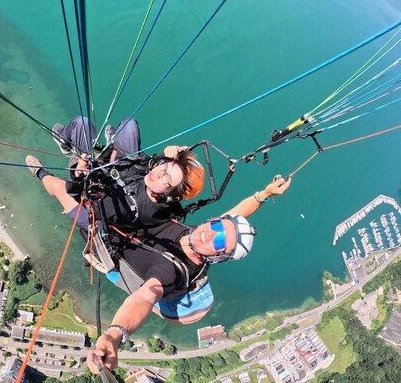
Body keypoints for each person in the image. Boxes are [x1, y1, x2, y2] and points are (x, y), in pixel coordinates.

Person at [27, 138, 292, 371]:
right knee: (112, 171)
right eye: (216, 226)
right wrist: (264, 194)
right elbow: (237, 213)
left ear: (218, 257)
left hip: (107, 241)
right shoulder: (199, 234)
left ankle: (39, 173)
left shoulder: (174, 271)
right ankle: (84, 158)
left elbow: (144, 297)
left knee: (60, 189)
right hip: (133, 225)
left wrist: (114, 335)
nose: (210, 234)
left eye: (220, 241)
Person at [47, 116, 206, 228]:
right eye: (164, 167)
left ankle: (65, 141)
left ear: (171, 196)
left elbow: (78, 195)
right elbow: (152, 166)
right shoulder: (157, 188)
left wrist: (78, 173)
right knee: (129, 125)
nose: (158, 172)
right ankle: (115, 142)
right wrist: (165, 156)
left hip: (91, 173)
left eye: (166, 177)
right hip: (121, 167)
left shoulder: (129, 208)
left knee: (81, 123)